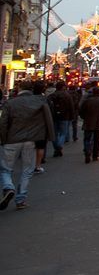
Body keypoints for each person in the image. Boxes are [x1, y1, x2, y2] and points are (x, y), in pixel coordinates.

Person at [0, 80, 55, 209]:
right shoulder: (40, 101)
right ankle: (21, 199)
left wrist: (3, 139)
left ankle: (8, 187)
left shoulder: (10, 103)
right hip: (30, 140)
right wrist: (49, 136)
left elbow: (3, 124)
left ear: (19, 89)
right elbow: (48, 119)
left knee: (6, 169)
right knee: (27, 170)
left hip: (11, 140)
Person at [78, 84, 99, 164]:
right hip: (98, 123)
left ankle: (87, 152)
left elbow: (81, 110)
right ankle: (95, 156)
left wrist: (83, 117)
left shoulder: (87, 101)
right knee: (96, 140)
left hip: (88, 122)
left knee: (87, 138)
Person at [48, 82, 77, 157]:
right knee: (63, 133)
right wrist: (72, 116)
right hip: (65, 117)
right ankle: (59, 146)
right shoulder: (67, 96)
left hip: (54, 117)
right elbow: (71, 107)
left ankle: (56, 148)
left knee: (55, 134)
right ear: (63, 87)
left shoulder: (51, 96)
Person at [30, 80, 49, 173]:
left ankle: (30, 165)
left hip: (29, 126)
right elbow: (49, 114)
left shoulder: (28, 100)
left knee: (30, 146)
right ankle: (37, 165)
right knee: (40, 147)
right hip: (41, 126)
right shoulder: (45, 100)